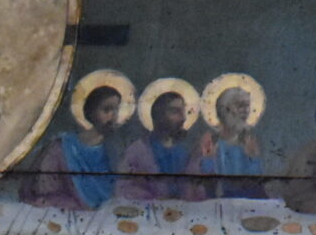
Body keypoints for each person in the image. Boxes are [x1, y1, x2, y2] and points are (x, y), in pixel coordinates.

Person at [24, 79, 126, 208]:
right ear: (91, 112)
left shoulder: (113, 149)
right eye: (106, 110)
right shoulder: (62, 147)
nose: (113, 116)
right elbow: (44, 189)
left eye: (116, 110)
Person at [117, 85, 199, 201]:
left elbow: (196, 191)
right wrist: (155, 199)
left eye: (183, 111)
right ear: (158, 116)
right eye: (175, 111)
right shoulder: (137, 151)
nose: (183, 118)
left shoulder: (184, 154)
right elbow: (123, 188)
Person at [194, 82, 269, 199]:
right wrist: (208, 159)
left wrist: (253, 158)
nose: (246, 111)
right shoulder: (211, 142)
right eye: (240, 106)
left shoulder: (248, 143)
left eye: (247, 106)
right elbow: (204, 182)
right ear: (225, 109)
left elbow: (256, 183)